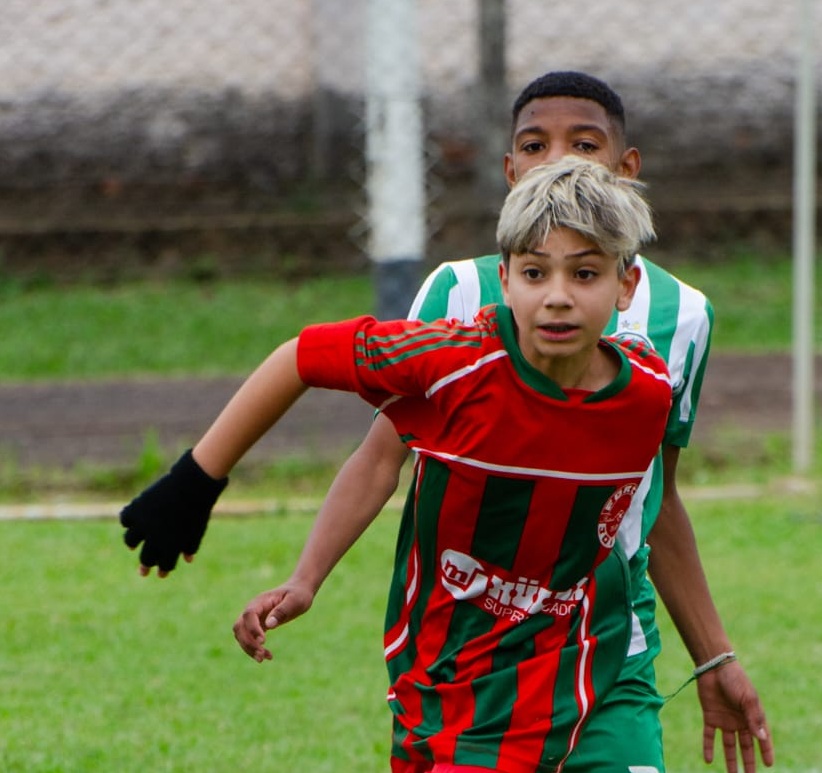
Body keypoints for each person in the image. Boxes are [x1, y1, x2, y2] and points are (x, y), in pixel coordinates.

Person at [121, 71, 774, 773]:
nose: (557, 161)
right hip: (463, 661)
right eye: (535, 144)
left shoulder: (666, 351)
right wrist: (209, 487)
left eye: (582, 145)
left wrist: (714, 653)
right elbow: (374, 444)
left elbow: (655, 498)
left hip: (604, 650)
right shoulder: (456, 318)